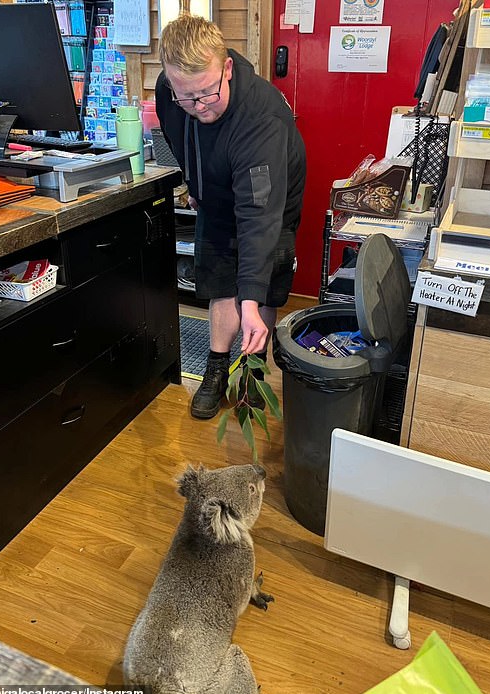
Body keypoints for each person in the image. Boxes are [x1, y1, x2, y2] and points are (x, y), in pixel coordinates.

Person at [156, 14, 306, 419]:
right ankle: (217, 370)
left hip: (270, 204)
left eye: (205, 93)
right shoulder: (172, 92)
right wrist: (195, 184)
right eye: (184, 97)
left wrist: (251, 302)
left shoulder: (261, 117)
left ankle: (253, 373)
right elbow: (179, 139)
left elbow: (259, 218)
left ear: (225, 69)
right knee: (221, 282)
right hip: (216, 199)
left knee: (264, 289)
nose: (197, 107)